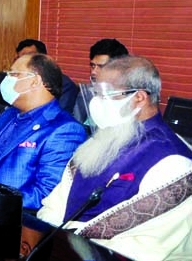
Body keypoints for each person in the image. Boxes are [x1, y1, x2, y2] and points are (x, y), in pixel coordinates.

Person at [38, 56, 192, 260]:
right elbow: (54, 205)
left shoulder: (174, 162)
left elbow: (144, 246)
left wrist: (73, 245)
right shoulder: (101, 141)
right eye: (96, 94)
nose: (96, 103)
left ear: (139, 97)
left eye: (106, 95)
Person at [0, 54, 87, 212]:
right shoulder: (8, 115)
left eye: (14, 74)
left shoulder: (64, 130)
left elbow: (47, 195)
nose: (6, 80)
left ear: (35, 81)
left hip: (16, 221)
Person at [0, 39, 78, 113]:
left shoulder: (65, 85)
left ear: (43, 58)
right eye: (18, 57)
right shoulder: (8, 80)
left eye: (28, 55)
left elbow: (56, 116)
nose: (23, 60)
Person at [73, 38, 130, 132]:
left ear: (119, 69)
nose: (94, 72)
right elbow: (76, 127)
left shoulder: (130, 98)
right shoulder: (86, 94)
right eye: (92, 66)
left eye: (101, 67)